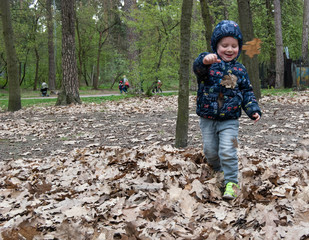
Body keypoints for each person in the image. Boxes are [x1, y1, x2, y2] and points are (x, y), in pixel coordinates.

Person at [193, 20, 262, 200]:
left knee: (228, 150)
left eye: (234, 45)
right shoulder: (208, 64)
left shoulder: (240, 69)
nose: (229, 49)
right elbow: (197, 68)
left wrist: (252, 109)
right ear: (216, 46)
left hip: (230, 119)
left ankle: (231, 182)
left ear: (239, 47)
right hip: (207, 117)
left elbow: (247, 91)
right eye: (224, 45)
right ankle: (218, 169)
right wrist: (204, 60)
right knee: (210, 151)